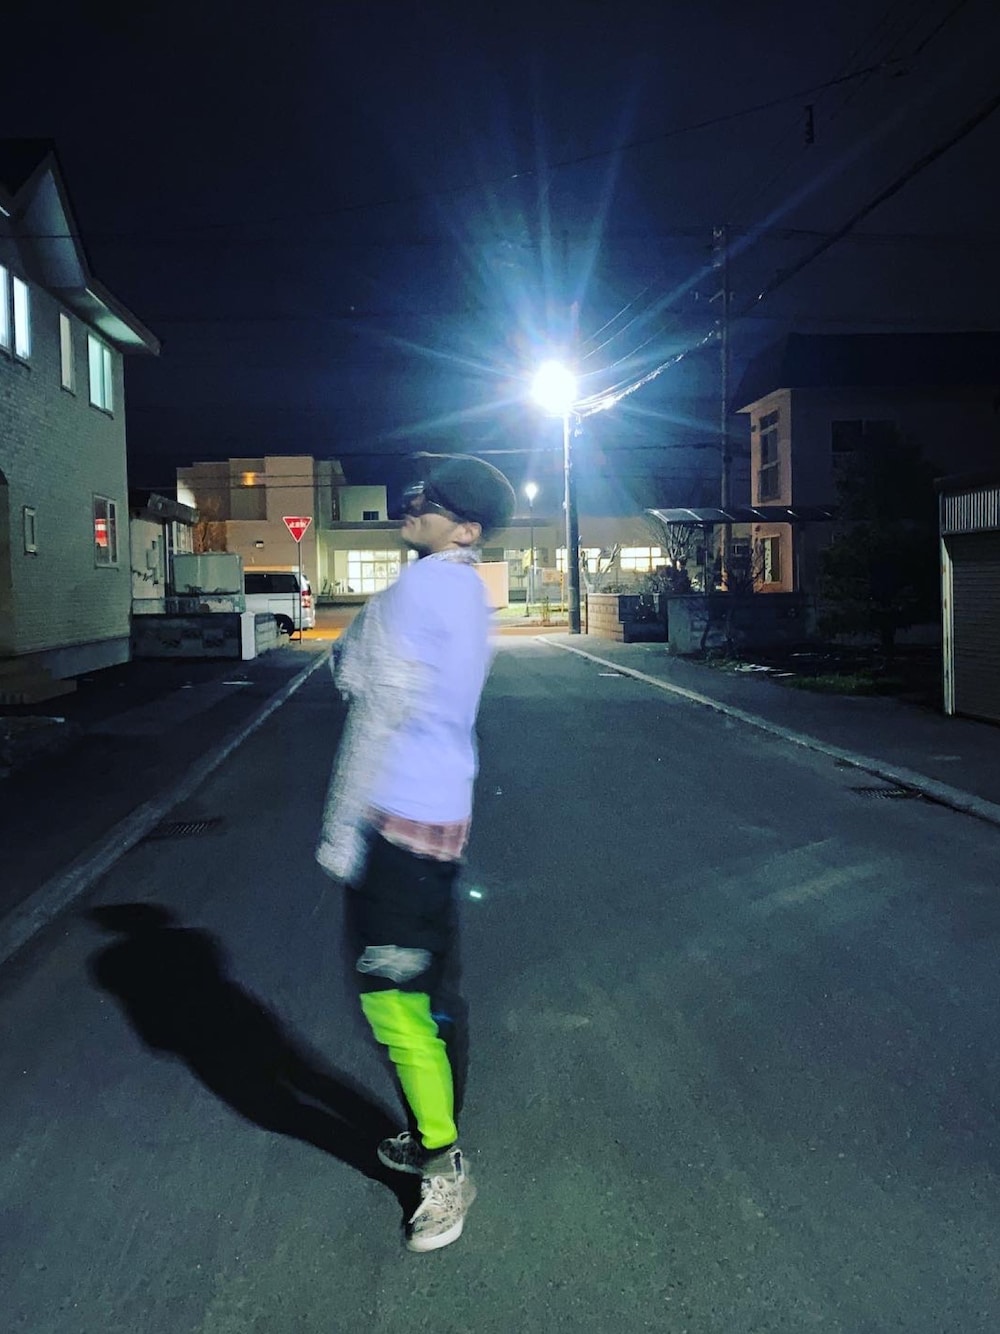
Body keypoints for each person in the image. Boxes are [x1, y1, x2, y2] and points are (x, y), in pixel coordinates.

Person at [316, 452, 515, 1253]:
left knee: (393, 1001)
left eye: (431, 500)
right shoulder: (468, 591)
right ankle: (431, 1130)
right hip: (442, 818)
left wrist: (342, 833)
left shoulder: (418, 591)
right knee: (434, 992)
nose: (413, 503)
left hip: (394, 821)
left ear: (464, 529)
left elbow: (360, 687)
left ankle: (441, 1163)